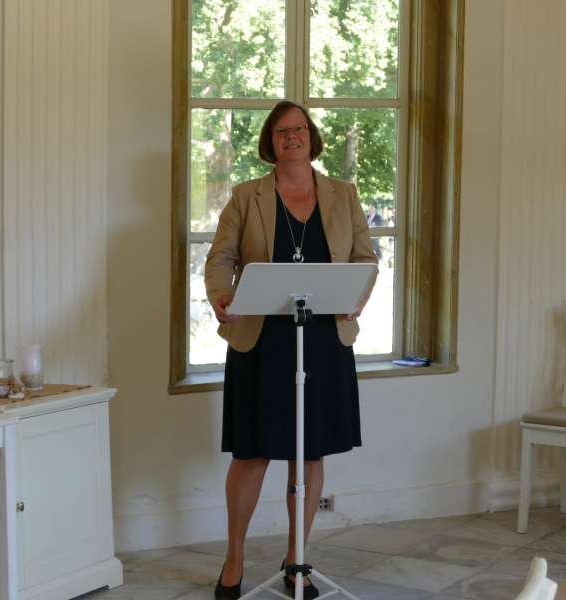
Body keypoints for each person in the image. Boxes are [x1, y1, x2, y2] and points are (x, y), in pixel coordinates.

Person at [205, 100, 378, 600]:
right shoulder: (247, 195)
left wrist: (357, 299)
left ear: (312, 137)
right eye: (282, 131)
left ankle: (296, 560)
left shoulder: (344, 194)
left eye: (300, 128)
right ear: (271, 141)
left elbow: (365, 259)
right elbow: (221, 256)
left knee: (309, 452)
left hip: (323, 338)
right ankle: (234, 560)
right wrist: (221, 296)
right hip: (262, 340)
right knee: (253, 451)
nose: (292, 136)